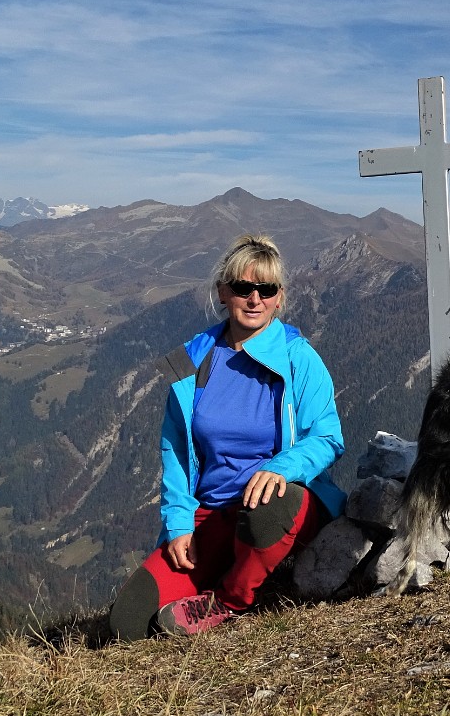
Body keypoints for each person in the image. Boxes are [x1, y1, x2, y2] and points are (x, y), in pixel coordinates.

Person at [107, 234, 347, 638]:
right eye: (242, 287)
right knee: (127, 623)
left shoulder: (297, 357)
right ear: (223, 292)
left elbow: (328, 438)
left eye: (266, 289)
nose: (254, 299)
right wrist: (179, 522)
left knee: (272, 503)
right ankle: (220, 573)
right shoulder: (195, 362)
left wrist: (281, 469)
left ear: (279, 297)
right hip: (214, 512)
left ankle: (229, 601)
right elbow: (176, 452)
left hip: (285, 507)